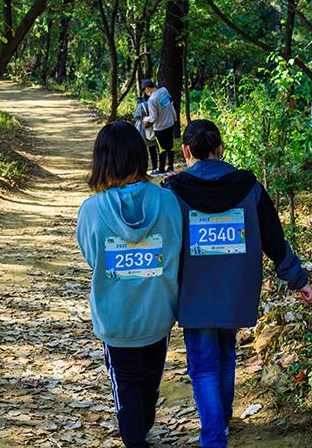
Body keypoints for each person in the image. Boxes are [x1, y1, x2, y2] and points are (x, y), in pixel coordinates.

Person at [164, 119, 312, 448]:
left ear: (186, 151)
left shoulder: (175, 191)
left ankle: (214, 436)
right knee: (226, 354)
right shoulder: (249, 186)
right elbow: (274, 239)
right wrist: (298, 279)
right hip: (236, 291)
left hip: (195, 293)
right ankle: (224, 419)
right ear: (220, 149)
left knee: (203, 365)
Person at [76, 121, 182, 448]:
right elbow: (176, 246)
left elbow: (93, 257)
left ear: (102, 161)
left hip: (116, 316)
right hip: (157, 312)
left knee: (125, 382)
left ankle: (135, 438)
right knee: (150, 381)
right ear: (140, 156)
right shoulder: (166, 201)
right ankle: (141, 429)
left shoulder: (91, 210)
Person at [141, 79, 176, 175]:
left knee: (161, 149)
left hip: (160, 128)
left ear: (147, 88)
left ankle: (161, 169)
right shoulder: (164, 90)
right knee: (170, 146)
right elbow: (170, 100)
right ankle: (171, 167)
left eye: (145, 90)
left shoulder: (152, 100)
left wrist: (145, 119)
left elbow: (153, 118)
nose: (145, 92)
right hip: (170, 124)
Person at [133, 94, 158, 173]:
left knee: (142, 151)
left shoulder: (142, 105)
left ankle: (143, 168)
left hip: (142, 130)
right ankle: (154, 168)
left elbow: (136, 116)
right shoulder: (153, 104)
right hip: (152, 129)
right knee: (153, 150)